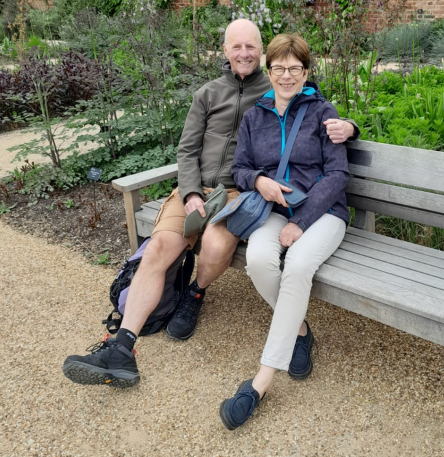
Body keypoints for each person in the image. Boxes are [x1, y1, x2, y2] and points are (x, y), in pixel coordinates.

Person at [62, 20, 358, 389]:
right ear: (225, 51)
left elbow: (318, 109)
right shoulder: (209, 93)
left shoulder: (279, 85)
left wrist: (349, 125)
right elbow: (186, 149)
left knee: (216, 247)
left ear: (263, 52)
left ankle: (195, 293)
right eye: (237, 47)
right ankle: (122, 346)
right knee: (159, 249)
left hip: (237, 194)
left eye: (251, 46)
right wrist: (189, 194)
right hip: (195, 189)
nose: (244, 53)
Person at [219, 34, 352, 430]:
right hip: (274, 209)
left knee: (295, 266)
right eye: (279, 68)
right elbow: (239, 168)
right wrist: (259, 181)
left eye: (295, 68)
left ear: (307, 72)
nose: (287, 75)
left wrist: (300, 221)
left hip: (324, 213)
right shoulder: (255, 115)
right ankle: (299, 329)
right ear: (269, 69)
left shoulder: (321, 112)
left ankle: (260, 381)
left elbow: (338, 174)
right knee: (258, 259)